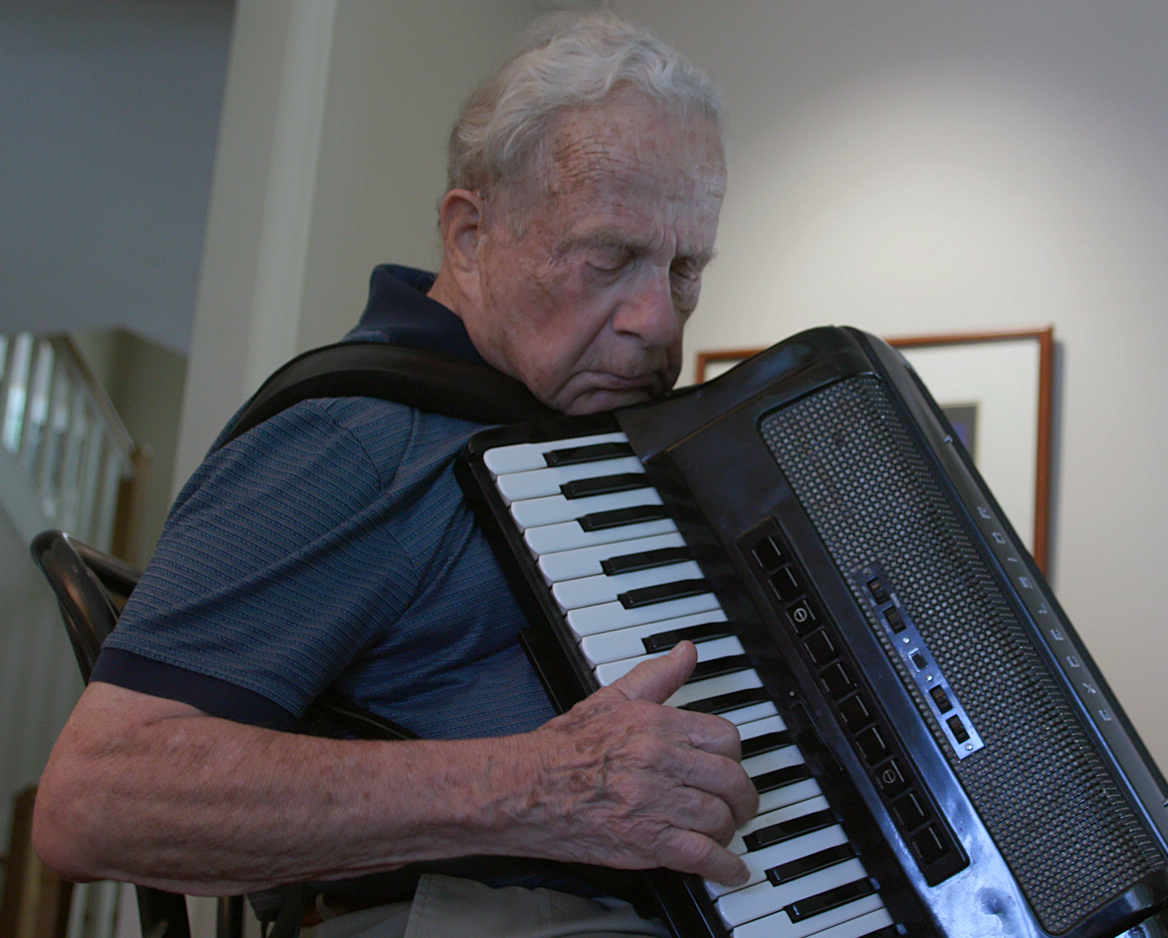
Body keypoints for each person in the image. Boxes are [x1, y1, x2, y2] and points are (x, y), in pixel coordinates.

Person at [33, 14, 757, 937]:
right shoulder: (356, 440)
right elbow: (97, 799)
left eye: (685, 269)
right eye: (608, 258)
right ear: (467, 235)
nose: (656, 320)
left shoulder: (606, 437)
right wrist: (537, 788)